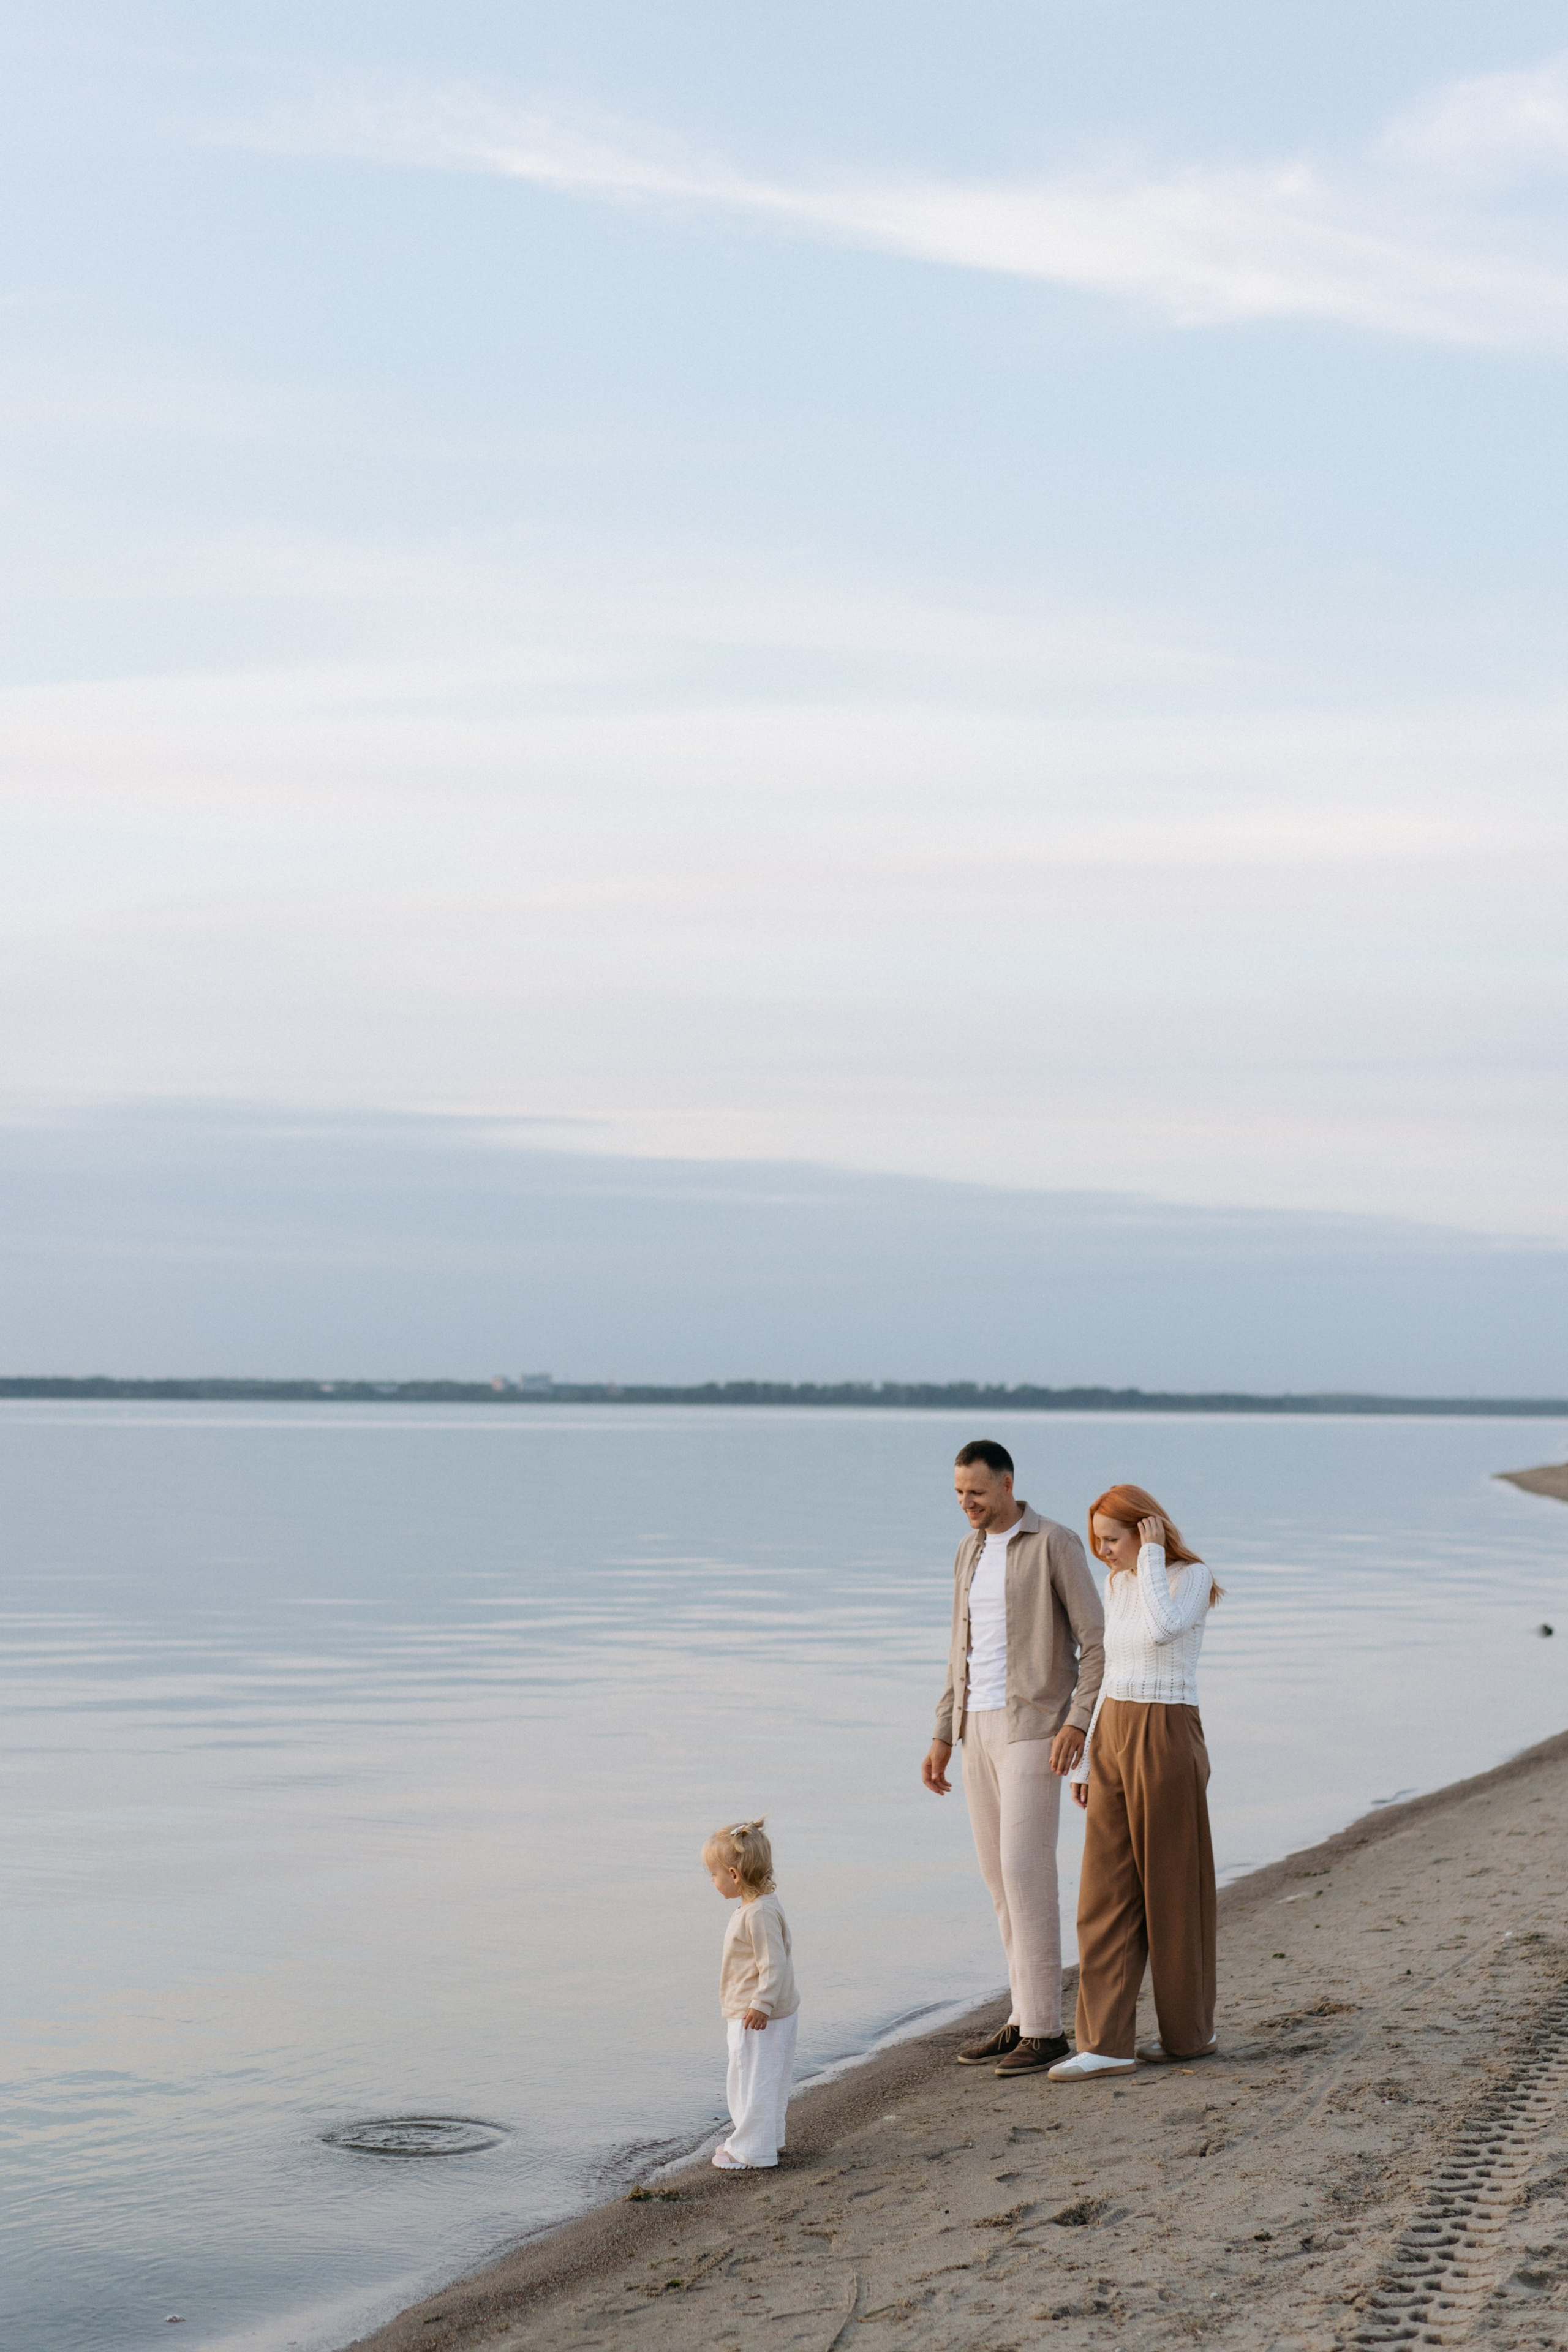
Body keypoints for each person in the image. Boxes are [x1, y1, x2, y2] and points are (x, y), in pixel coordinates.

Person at [922, 1439, 1106, 2078]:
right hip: (977, 1728)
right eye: (957, 1494)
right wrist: (943, 1732)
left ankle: (1048, 2033)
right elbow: (958, 1652)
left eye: (975, 1492)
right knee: (997, 1881)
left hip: (1037, 1727)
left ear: (1006, 1485)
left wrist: (1078, 1724)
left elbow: (1095, 1644)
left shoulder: (1054, 1543)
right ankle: (1024, 2019)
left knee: (1025, 1873)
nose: (965, 1504)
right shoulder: (966, 1552)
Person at [1049, 1485, 1223, 2082]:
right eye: (1096, 1540)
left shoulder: (1189, 1576)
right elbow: (1115, 1667)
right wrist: (1084, 1762)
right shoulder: (1118, 1581)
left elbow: (1161, 1633)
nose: (1102, 1552)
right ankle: (1106, 2043)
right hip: (1114, 1729)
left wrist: (1149, 1559)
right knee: (1103, 1892)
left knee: (1173, 1892)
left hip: (1167, 1732)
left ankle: (1188, 2036)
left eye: (1112, 1539)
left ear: (1146, 1530)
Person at [704, 1818, 799, 2169]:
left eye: (713, 1875)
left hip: (758, 2016)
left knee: (749, 2081)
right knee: (767, 2079)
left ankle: (750, 2151)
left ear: (734, 1874)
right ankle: (768, 2139)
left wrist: (761, 2004)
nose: (712, 1881)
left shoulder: (758, 1913)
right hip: (770, 2012)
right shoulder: (761, 1905)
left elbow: (773, 1964)